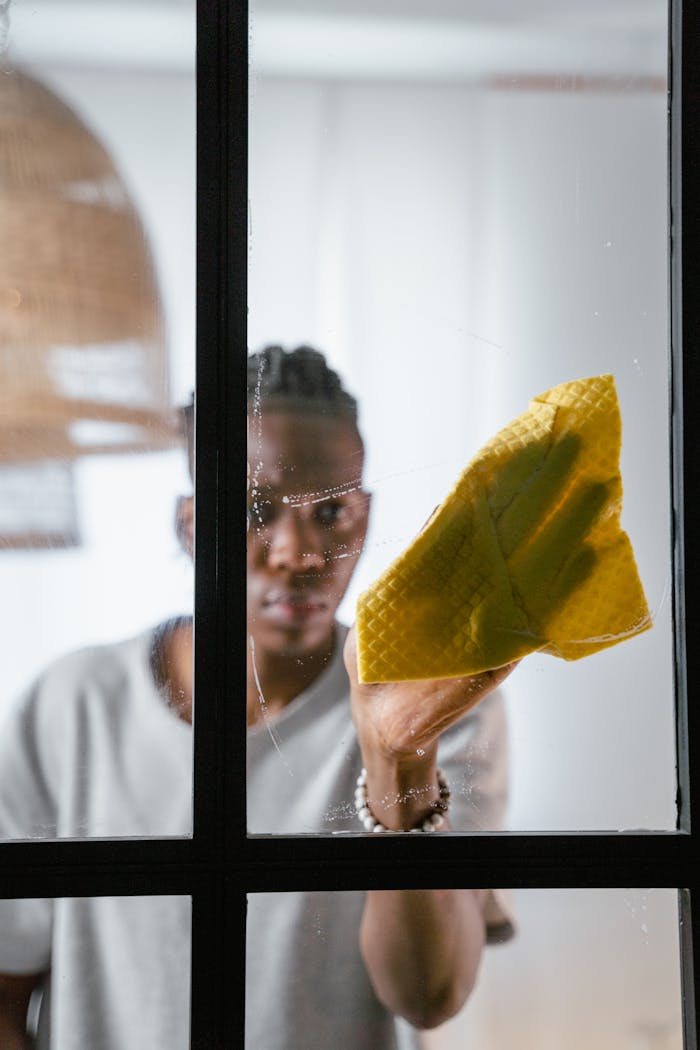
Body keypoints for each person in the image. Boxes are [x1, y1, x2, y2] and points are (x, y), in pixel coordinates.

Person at [0, 345, 514, 1049]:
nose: (298, 553)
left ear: (367, 517)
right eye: (253, 510)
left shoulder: (431, 706)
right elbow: (5, 992)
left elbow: (429, 995)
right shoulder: (72, 707)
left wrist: (400, 760)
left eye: (331, 511)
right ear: (189, 526)